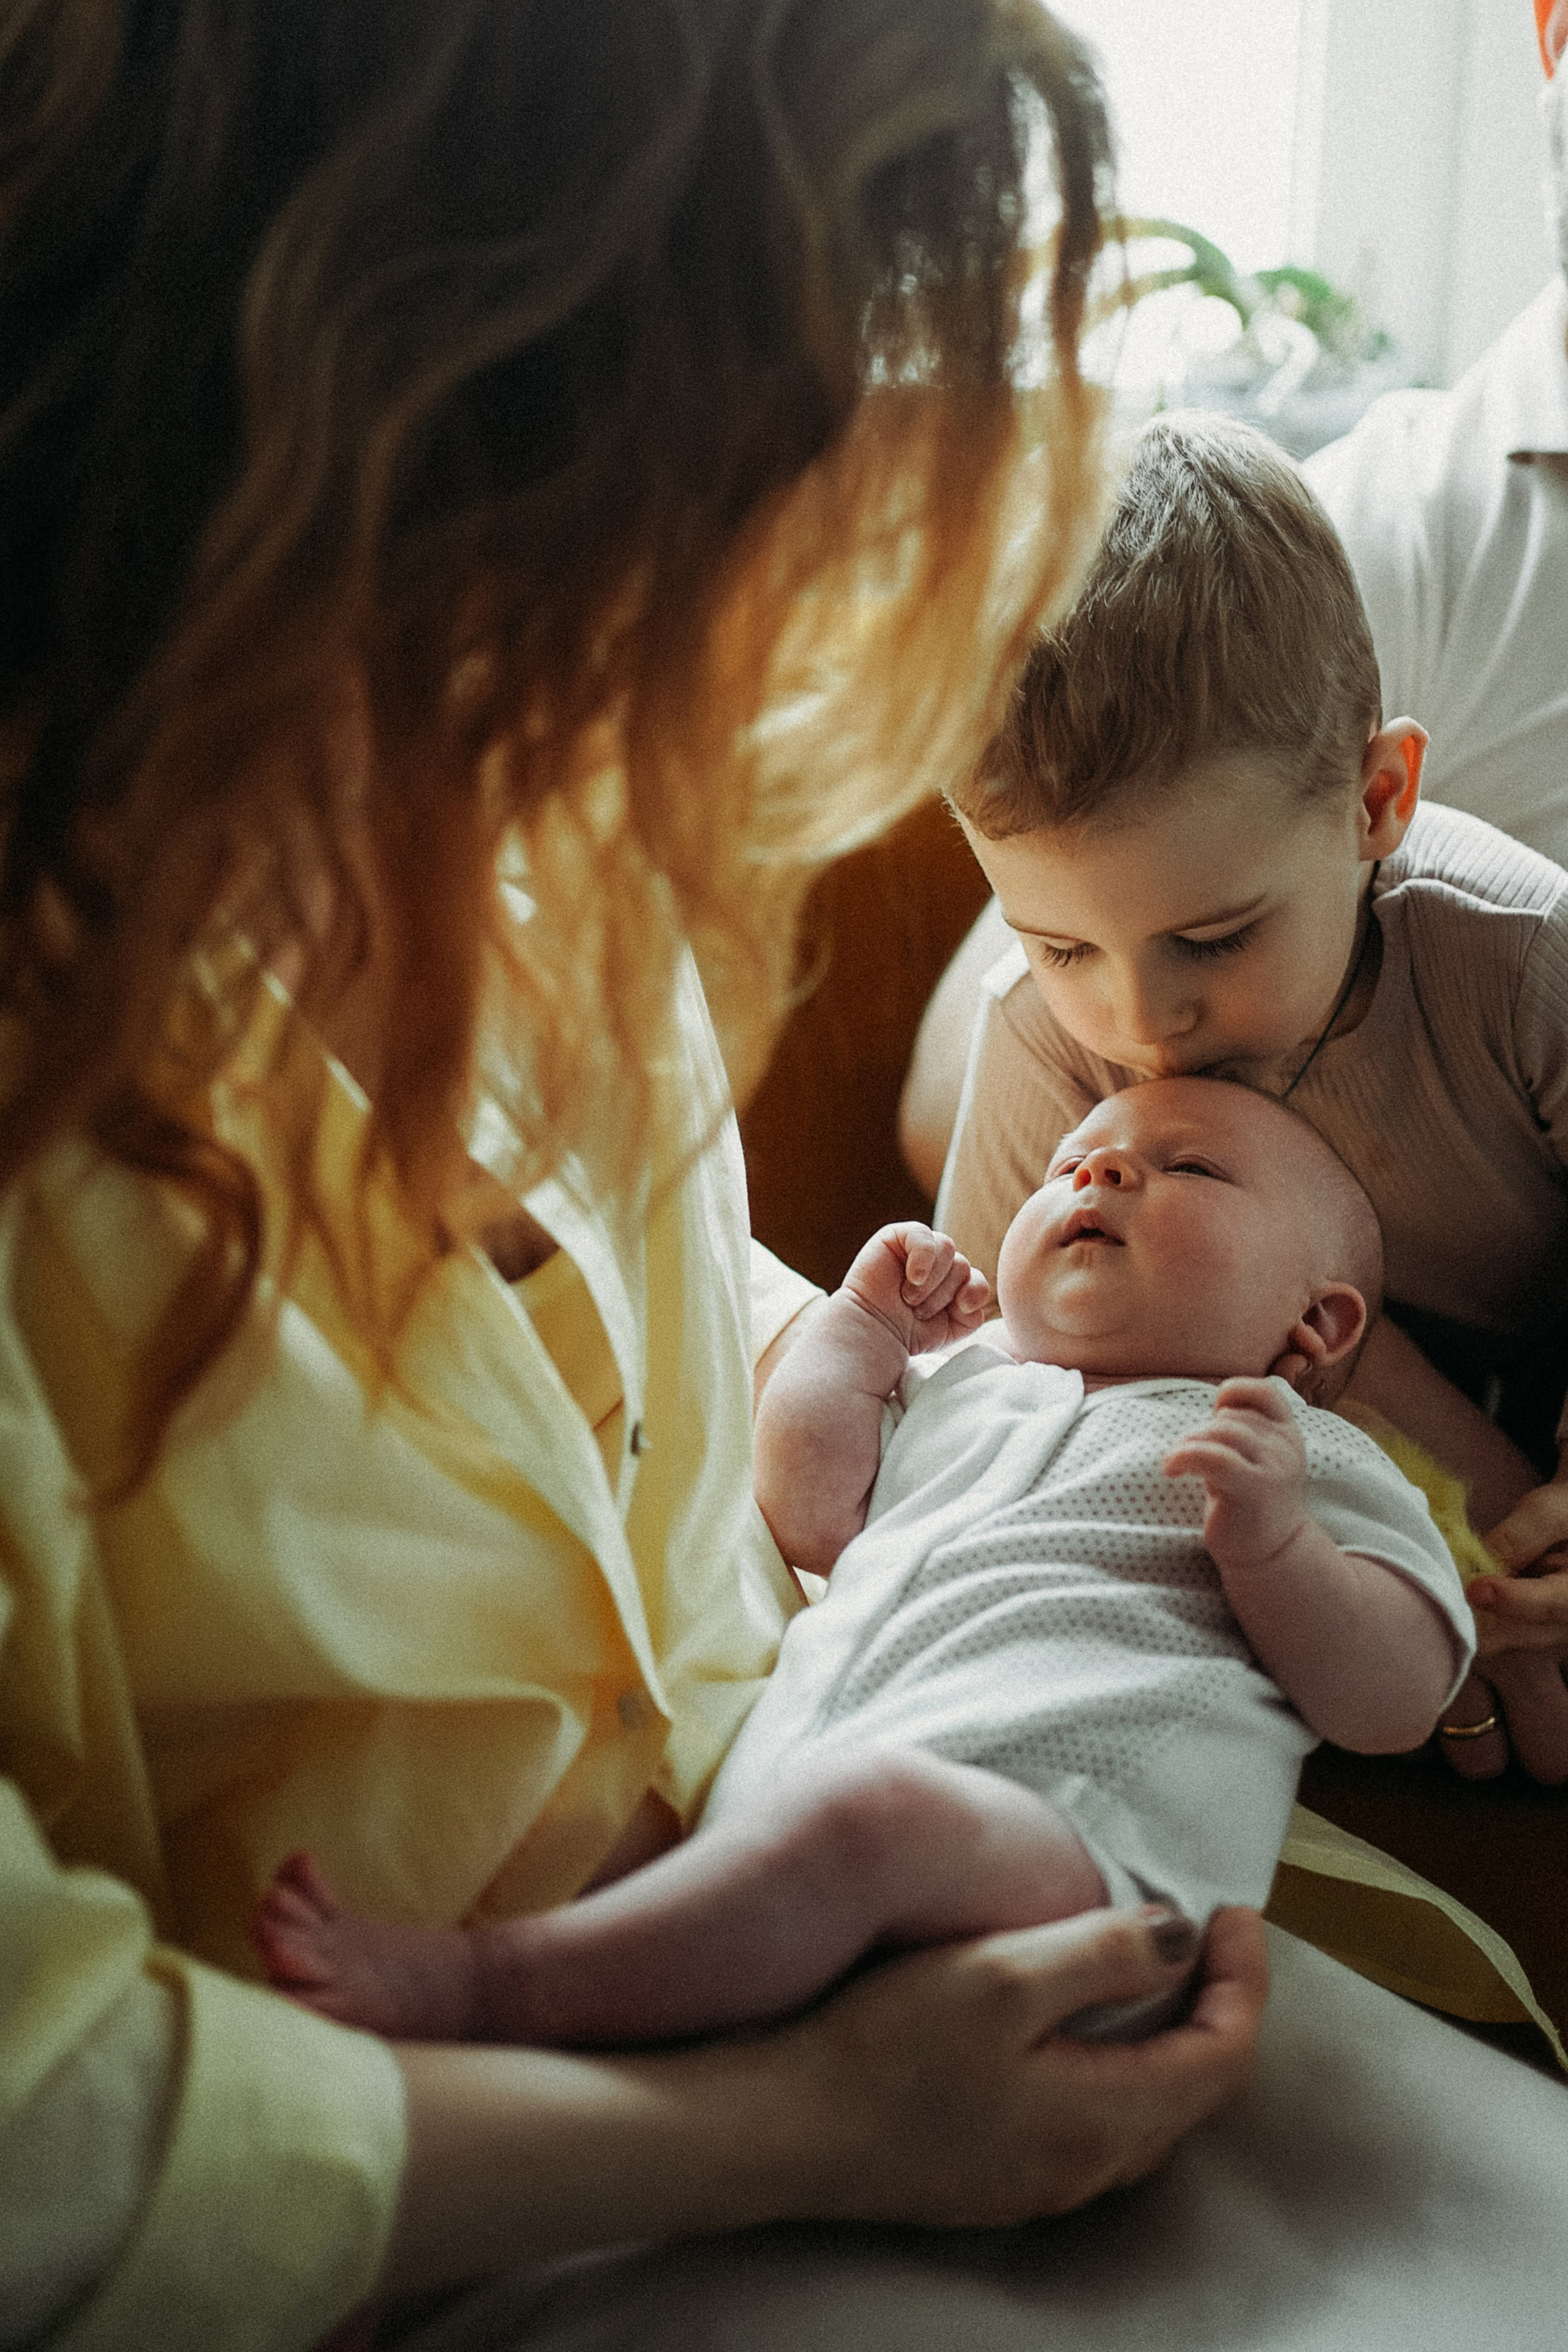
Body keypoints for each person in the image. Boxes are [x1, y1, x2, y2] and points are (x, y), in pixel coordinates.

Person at [0, 8, 1276, 2350]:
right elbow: (44, 2129)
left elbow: (616, 1360)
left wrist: (903, 1364)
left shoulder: (530, 821)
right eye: (724, 449)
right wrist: (813, 2120)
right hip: (456, 2219)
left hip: (886, 1916)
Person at [249, 1077, 1470, 2060]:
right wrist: (858, 1333)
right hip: (808, 1803)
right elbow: (807, 1510)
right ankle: (471, 2155)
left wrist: (1276, 1547)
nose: (1098, 1170)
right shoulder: (966, 1386)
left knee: (858, 1830)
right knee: (650, 1849)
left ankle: (487, 1994)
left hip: (1079, 1863)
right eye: (1067, 1165)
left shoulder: (1294, 1452)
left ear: (1314, 1327)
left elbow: (1392, 1697)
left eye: (1186, 1167)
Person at [899, 0, 1568, 1781]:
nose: (1140, 1017)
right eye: (1062, 943)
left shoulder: (1522, 959)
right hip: (1240, 1511)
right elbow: (985, 1387)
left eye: (1213, 937)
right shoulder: (1051, 1057)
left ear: (1378, 802)